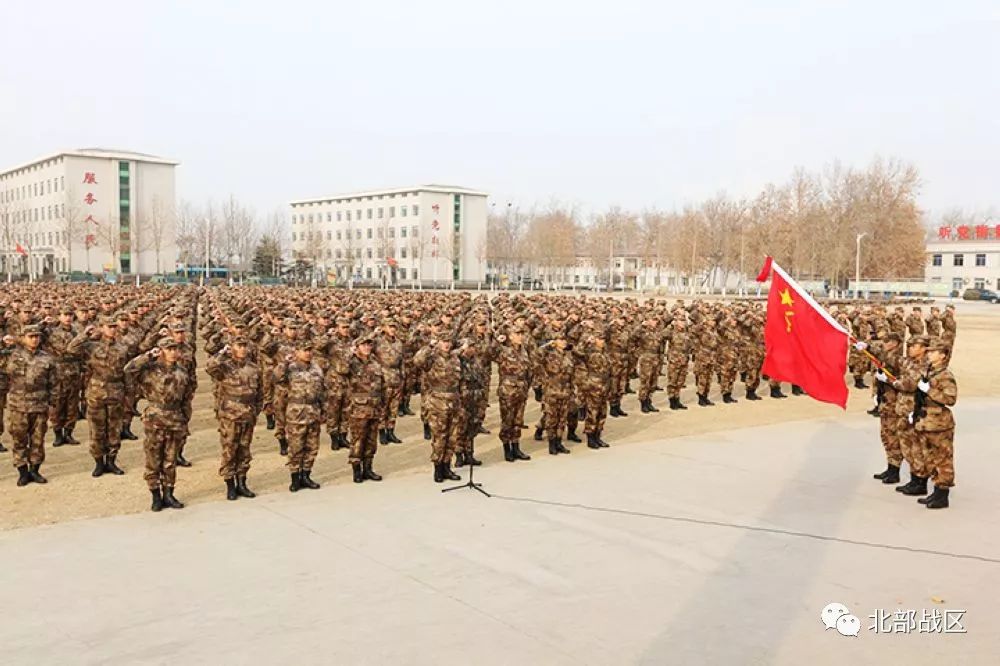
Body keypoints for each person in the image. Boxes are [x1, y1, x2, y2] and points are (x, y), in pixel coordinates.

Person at [124, 338, 196, 511]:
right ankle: (156, 495)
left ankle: (169, 493)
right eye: (169, 349)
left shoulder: (182, 372)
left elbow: (187, 397)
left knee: (170, 460)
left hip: (175, 418)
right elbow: (128, 369)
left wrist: (185, 419)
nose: (173, 352)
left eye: (175, 349)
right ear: (161, 350)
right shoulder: (149, 370)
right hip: (155, 419)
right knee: (153, 459)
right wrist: (148, 356)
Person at [68, 317, 133, 478]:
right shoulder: (91, 347)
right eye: (108, 327)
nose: (112, 329)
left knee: (114, 429)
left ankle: (111, 461)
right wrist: (85, 335)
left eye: (113, 327)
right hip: (96, 392)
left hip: (116, 391)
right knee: (97, 430)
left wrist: (129, 394)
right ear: (102, 328)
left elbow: (126, 372)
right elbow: (71, 349)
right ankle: (98, 462)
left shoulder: (123, 348)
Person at [205, 337, 263, 500]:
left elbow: (260, 393)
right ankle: (230, 484)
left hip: (248, 414)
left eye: (245, 346)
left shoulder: (254, 368)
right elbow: (210, 368)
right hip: (230, 415)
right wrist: (222, 353)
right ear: (232, 348)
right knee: (230, 449)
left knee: (244, 450)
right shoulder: (224, 367)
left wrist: (255, 411)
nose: (243, 349)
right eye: (239, 346)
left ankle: (242, 483)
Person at [1, 325, 57, 486]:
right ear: (23, 338)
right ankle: (23, 472)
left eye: (37, 336)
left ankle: (35, 470)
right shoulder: (12, 355)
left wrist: (53, 403)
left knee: (38, 440)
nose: (34, 339)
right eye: (31, 336)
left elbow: (53, 383)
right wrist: (3, 343)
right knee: (19, 439)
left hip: (39, 406)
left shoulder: (47, 358)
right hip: (18, 406)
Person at [273, 339, 326, 492]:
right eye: (304, 350)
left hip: (313, 411)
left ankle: (306, 475)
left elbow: (322, 391)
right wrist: (284, 363)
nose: (308, 353)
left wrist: (323, 410)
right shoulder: (290, 368)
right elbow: (276, 378)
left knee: (312, 447)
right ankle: (295, 478)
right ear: (296, 352)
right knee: (296, 447)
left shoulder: (316, 369)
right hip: (296, 413)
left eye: (310, 350)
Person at [412, 336, 465, 482]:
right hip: (437, 402)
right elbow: (417, 361)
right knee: (439, 437)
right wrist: (429, 346)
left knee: (452, 437)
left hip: (454, 400)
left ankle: (447, 466)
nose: (446, 344)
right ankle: (438, 467)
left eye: (449, 341)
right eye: (443, 341)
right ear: (438, 343)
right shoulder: (431, 357)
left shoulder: (455, 358)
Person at [913, 339, 957, 509]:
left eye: (933, 352)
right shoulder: (930, 372)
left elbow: (950, 399)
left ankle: (942, 495)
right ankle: (936, 491)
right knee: (930, 458)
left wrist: (928, 390)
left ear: (943, 356)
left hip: (940, 424)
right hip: (926, 422)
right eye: (929, 351)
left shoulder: (945, 375)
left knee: (943, 459)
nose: (929, 354)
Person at [489, 325, 533, 462]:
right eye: (517, 334)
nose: (520, 336)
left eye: (521, 333)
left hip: (521, 389)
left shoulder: (524, 351)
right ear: (510, 336)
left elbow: (529, 370)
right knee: (507, 420)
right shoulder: (504, 351)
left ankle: (516, 446)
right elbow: (489, 354)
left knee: (518, 420)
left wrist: (527, 385)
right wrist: (496, 341)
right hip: (508, 390)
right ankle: (507, 448)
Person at [346, 334, 386, 483]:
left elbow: (382, 384)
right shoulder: (352, 362)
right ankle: (357, 470)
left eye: (369, 345)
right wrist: (349, 354)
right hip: (358, 409)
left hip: (374, 407)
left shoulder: (375, 363)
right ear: (357, 347)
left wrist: (383, 404)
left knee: (371, 441)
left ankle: (368, 469)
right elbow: (341, 368)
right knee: (357, 440)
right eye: (364, 345)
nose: (367, 347)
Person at [871, 332, 904, 483]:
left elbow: (884, 356)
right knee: (886, 437)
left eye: (888, 341)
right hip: (885, 403)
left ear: (895, 343)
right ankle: (890, 468)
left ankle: (895, 471)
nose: (885, 343)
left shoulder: (897, 358)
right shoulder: (887, 356)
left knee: (893, 438)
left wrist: (867, 347)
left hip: (893, 404)